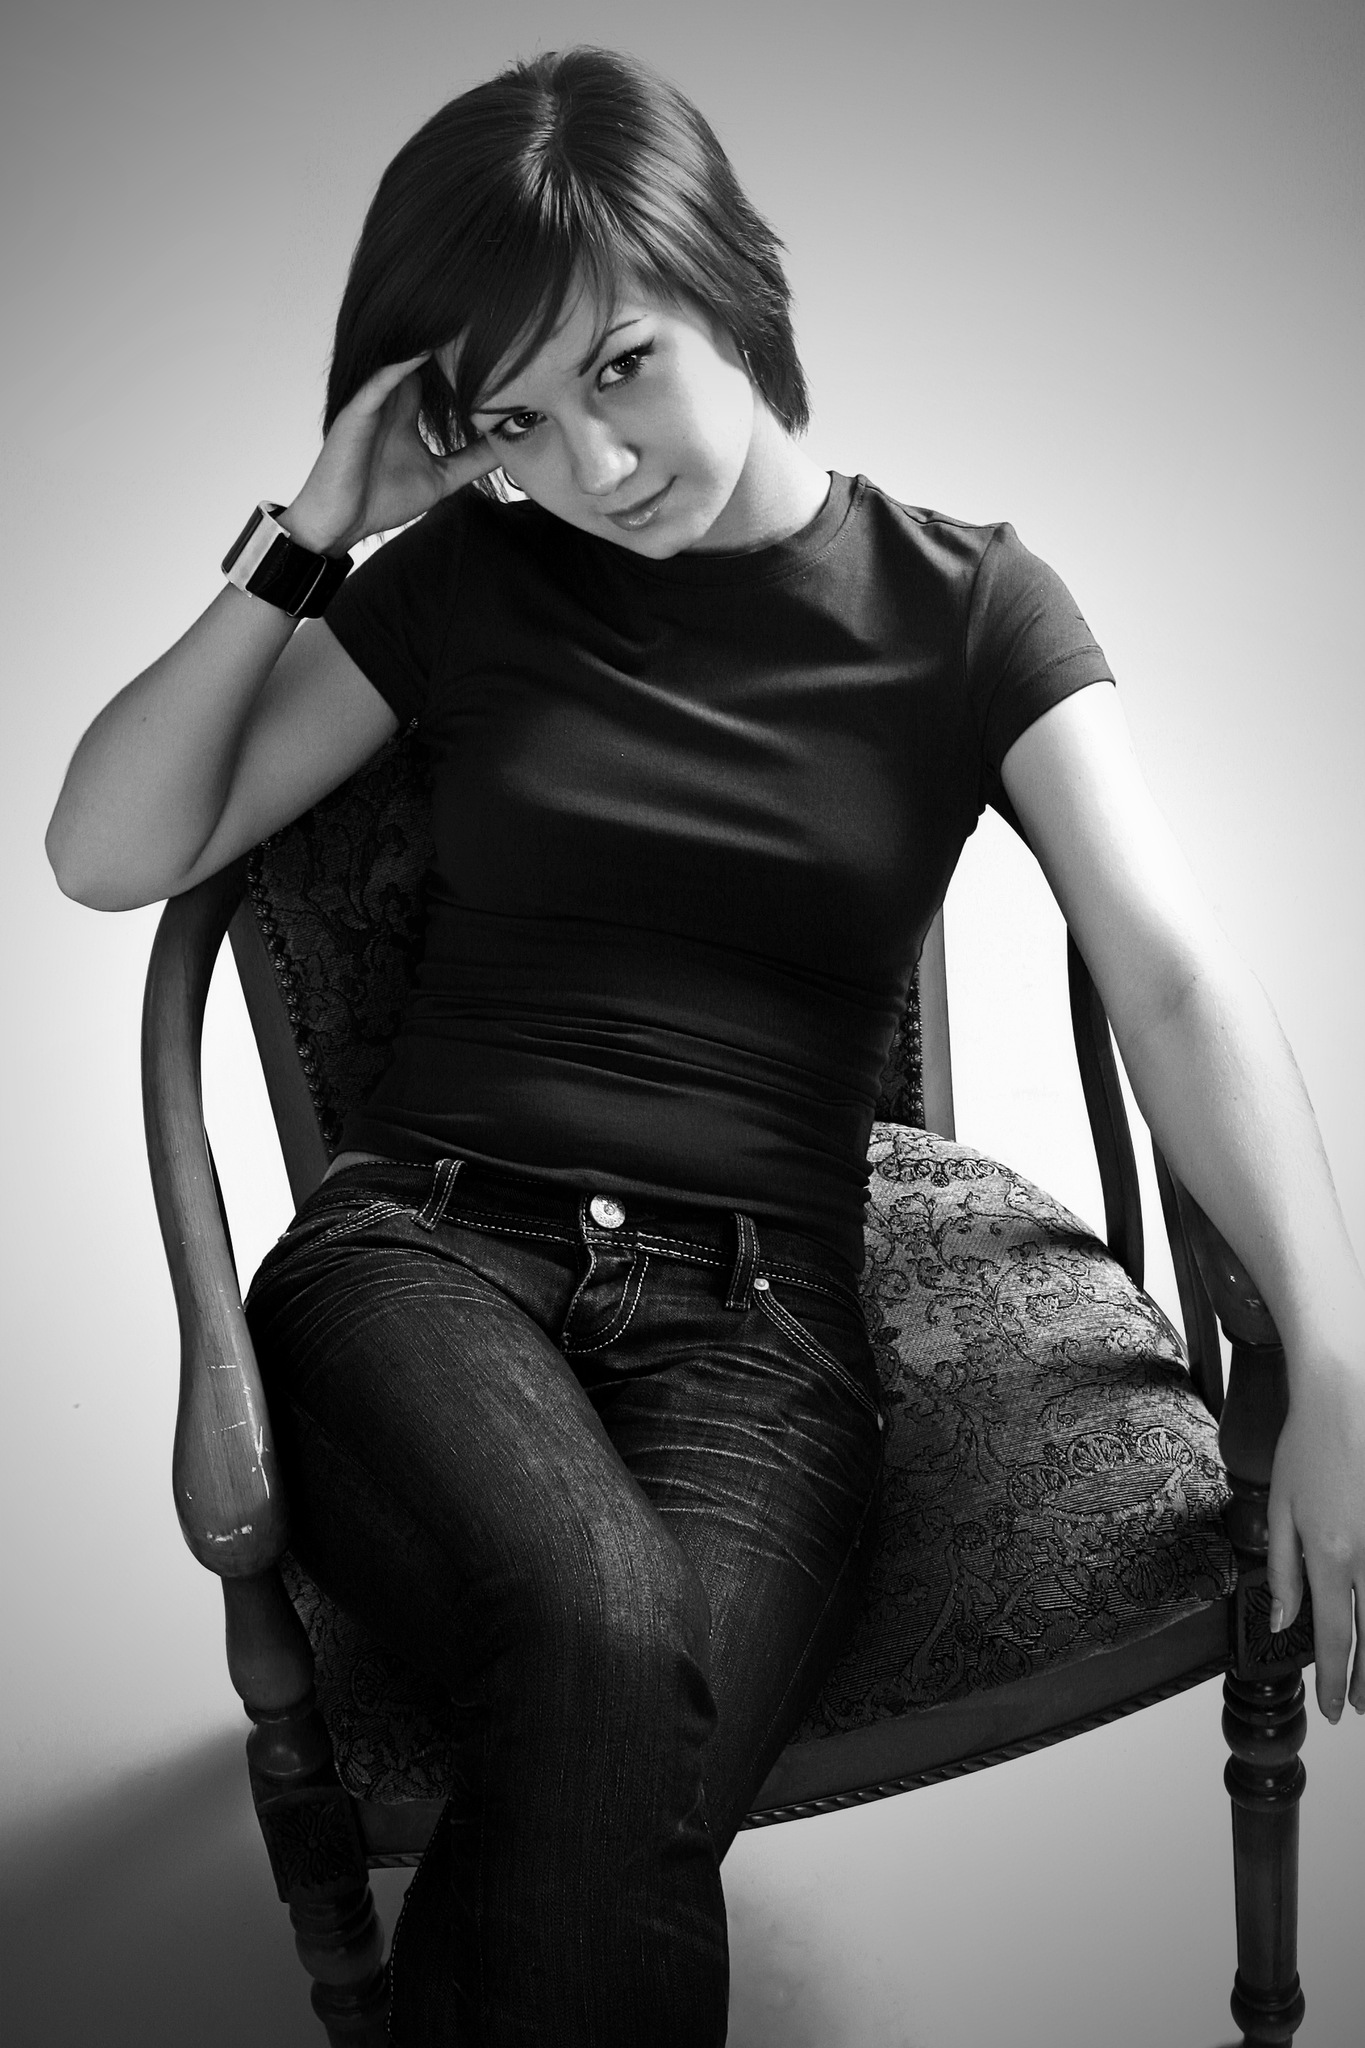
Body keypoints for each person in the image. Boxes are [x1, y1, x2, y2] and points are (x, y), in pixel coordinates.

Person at [45, 43, 1364, 2048]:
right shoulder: (467, 579)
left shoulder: (968, 606)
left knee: (608, 1730)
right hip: (422, 1254)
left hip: (758, 1328)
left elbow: (1171, 978)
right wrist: (316, 524)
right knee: (603, 1631)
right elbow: (108, 848)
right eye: (517, 418)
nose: (592, 464)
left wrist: (1332, 1357)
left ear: (730, 276)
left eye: (623, 367)